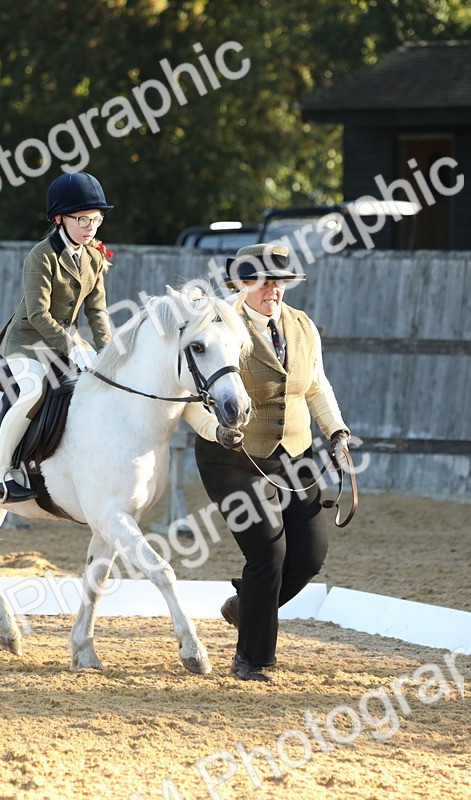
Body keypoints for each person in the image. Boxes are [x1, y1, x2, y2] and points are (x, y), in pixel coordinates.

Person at [182, 243, 351, 681]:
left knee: (310, 554)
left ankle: (245, 607)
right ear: (241, 283)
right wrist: (214, 429)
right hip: (232, 455)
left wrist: (336, 432)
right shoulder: (218, 323)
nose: (273, 290)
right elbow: (189, 398)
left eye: (280, 282)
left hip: (294, 451)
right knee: (268, 552)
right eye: (263, 281)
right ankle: (251, 659)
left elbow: (316, 386)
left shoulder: (302, 326)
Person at [0, 171, 115, 503]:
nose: (90, 227)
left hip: (65, 341)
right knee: (32, 393)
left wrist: (110, 352)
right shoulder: (40, 256)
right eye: (82, 219)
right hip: (28, 342)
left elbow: (97, 312)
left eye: (96, 220)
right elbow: (38, 315)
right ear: (59, 218)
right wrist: (71, 345)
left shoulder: (94, 258)